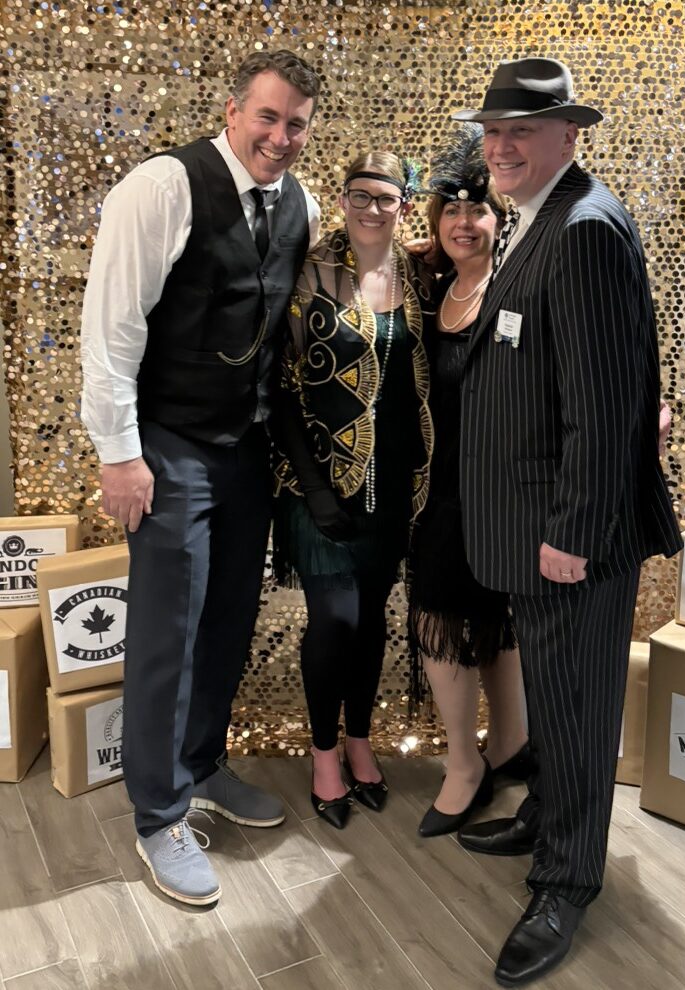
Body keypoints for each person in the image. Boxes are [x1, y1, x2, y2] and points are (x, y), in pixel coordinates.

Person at [453, 58, 683, 986]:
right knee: (555, 693)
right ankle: (551, 816)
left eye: (520, 131)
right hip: (531, 522)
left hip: (568, 535)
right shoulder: (537, 216)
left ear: (567, 136)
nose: (500, 147)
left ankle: (567, 881)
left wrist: (575, 533)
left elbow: (607, 402)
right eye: (492, 131)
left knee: (581, 706)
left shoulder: (583, 227)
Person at [80, 49, 322, 907]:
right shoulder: (162, 186)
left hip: (245, 444)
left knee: (226, 618)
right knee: (165, 631)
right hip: (168, 441)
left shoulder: (302, 203)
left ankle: (200, 765)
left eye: (296, 123)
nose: (281, 137)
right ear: (233, 111)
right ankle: (157, 813)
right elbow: (110, 326)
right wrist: (119, 452)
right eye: (268, 117)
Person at [273, 152, 434, 829]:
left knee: (372, 619)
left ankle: (361, 739)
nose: (372, 209)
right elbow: (278, 389)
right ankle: (323, 754)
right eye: (359, 195)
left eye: (387, 198)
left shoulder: (422, 276)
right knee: (335, 619)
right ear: (341, 199)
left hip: (397, 481)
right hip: (320, 484)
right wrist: (312, 490)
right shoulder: (306, 272)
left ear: (404, 206)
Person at [406, 125, 534, 839]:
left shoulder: (518, 288)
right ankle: (465, 763)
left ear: (498, 217)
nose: (464, 221)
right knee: (441, 617)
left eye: (477, 209)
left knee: (498, 618)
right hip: (440, 495)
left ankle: (509, 745)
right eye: (450, 211)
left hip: (508, 495)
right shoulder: (431, 290)